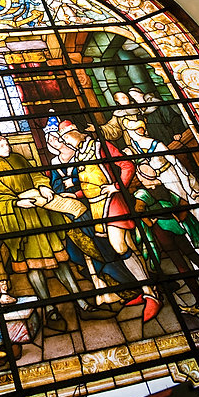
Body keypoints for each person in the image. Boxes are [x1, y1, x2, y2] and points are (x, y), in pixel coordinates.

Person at [0, 134, 114, 331]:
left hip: (43, 215)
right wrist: (16, 202)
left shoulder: (18, 159)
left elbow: (35, 175)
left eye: (7, 143)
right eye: (2, 145)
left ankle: (83, 305)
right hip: (22, 223)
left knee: (60, 261)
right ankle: (50, 310)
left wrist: (42, 186)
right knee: (33, 268)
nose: (7, 147)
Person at [58, 120, 162, 323]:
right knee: (128, 246)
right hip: (96, 207)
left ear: (77, 131)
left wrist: (117, 186)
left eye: (67, 136)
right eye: (63, 139)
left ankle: (151, 294)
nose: (65, 141)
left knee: (119, 246)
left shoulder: (99, 146)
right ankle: (146, 289)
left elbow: (127, 164)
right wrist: (76, 195)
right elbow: (91, 183)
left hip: (113, 202)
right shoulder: (79, 155)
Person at [44, 115, 137, 305]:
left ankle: (140, 287)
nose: (56, 142)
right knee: (88, 249)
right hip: (83, 209)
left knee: (116, 247)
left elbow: (110, 172)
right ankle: (123, 289)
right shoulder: (60, 162)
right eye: (51, 140)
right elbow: (64, 185)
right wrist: (70, 193)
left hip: (104, 204)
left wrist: (115, 187)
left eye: (59, 137)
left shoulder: (89, 150)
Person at [133, 163, 199, 308]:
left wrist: (150, 223)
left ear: (142, 177)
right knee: (192, 255)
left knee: (181, 265)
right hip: (175, 226)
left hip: (161, 230)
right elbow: (183, 203)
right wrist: (180, 218)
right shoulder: (164, 190)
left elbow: (138, 210)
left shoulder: (142, 194)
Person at [123, 118, 199, 226]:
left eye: (131, 130)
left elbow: (176, 163)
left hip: (172, 174)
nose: (129, 133)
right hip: (162, 178)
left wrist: (187, 185)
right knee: (179, 202)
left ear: (140, 130)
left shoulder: (158, 145)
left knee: (188, 198)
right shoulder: (136, 144)